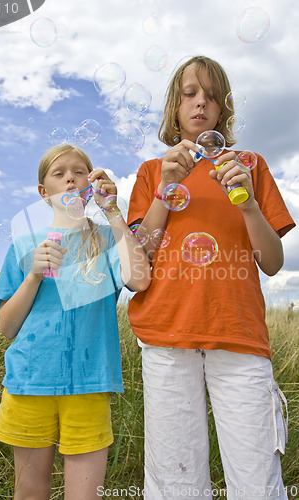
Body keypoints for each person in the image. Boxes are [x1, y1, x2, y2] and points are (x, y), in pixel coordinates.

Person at [127, 55, 295, 500]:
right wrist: (167, 188)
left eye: (212, 95)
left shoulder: (249, 165)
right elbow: (137, 264)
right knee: (173, 482)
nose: (201, 102)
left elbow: (274, 262)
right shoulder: (151, 173)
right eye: (189, 93)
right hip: (166, 333)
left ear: (224, 109)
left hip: (237, 331)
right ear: (174, 106)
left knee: (258, 479)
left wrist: (248, 206)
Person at [0, 144, 151, 500]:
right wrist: (33, 275)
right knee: (30, 491)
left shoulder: (109, 239)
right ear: (43, 192)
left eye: (79, 171)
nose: (70, 178)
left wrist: (112, 212)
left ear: (91, 185)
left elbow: (140, 280)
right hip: (30, 382)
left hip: (90, 383)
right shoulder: (25, 245)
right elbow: (7, 327)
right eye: (59, 173)